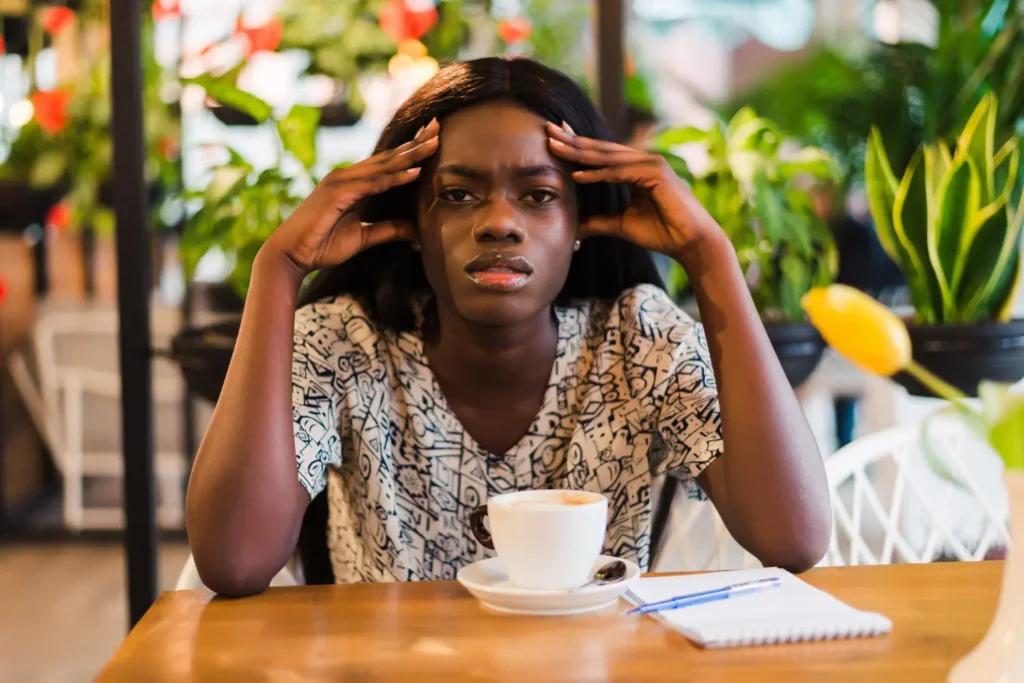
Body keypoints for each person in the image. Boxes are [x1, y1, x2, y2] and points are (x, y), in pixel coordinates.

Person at [186, 58, 831, 596]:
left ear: (580, 226)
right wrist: (278, 268)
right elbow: (234, 562)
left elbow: (793, 538)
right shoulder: (343, 342)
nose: (499, 222)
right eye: (460, 194)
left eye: (539, 194)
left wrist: (710, 256)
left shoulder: (638, 341)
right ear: (410, 225)